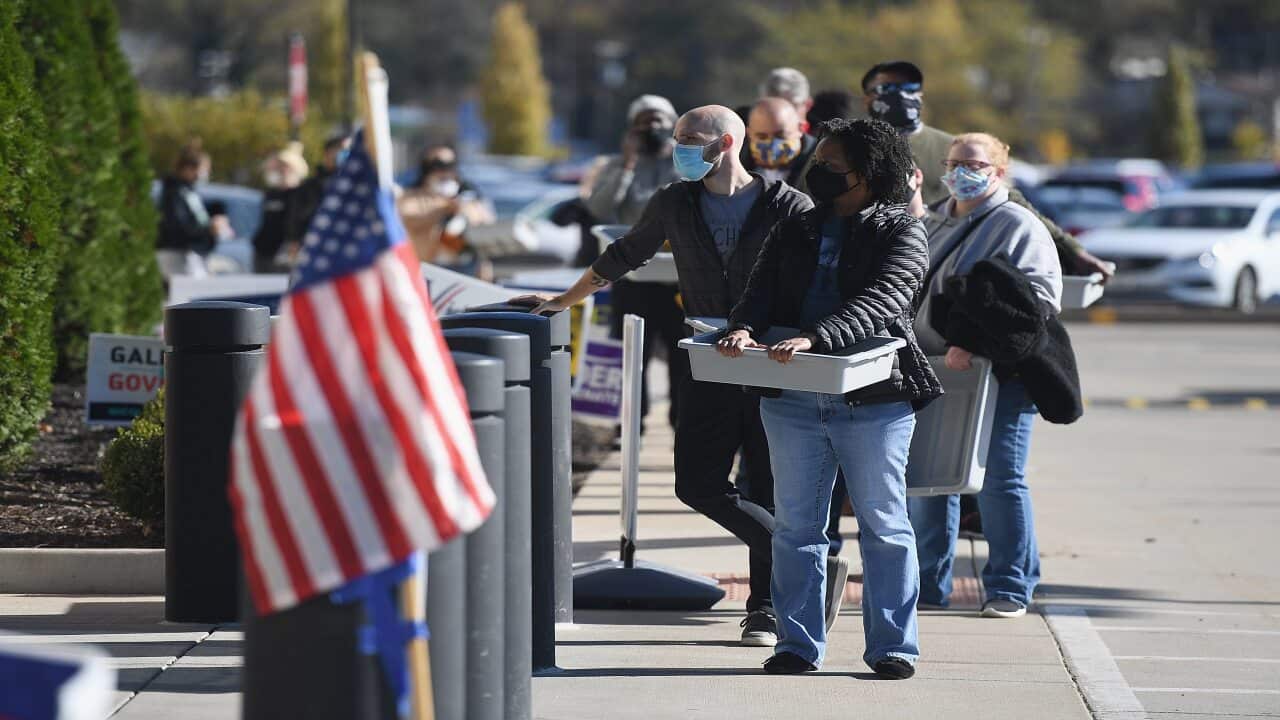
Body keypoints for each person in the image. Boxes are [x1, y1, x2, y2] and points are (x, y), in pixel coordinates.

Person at [520, 105, 814, 647]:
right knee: (696, 482)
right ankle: (795, 550)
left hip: (773, 357)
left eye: (689, 139)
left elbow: (817, 278)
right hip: (707, 357)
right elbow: (623, 255)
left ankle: (766, 607)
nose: (678, 148)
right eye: (678, 138)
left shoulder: (788, 205)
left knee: (765, 485)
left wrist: (804, 336)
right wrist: (565, 300)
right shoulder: (675, 202)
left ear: (725, 143)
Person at [720, 118, 940, 679]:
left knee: (884, 525)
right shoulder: (797, 225)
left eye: (830, 166)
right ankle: (796, 645)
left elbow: (886, 300)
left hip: (873, 401)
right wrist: (744, 327)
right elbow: (759, 290)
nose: (816, 173)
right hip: (790, 398)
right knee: (796, 528)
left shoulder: (902, 231)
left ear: (865, 176)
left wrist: (817, 336)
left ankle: (894, 647)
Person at [908, 132, 1066, 619]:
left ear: (998, 172)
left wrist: (975, 342)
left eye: (974, 164)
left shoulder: (1016, 224)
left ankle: (1010, 586)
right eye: (955, 162)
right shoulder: (934, 218)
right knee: (929, 480)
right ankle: (927, 586)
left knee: (1000, 479)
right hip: (936, 370)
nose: (961, 171)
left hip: (1002, 374)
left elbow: (1039, 301)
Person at [861, 60, 1114, 280]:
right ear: (868, 98)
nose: (901, 96)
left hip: (934, 266)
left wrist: (1073, 252)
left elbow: (1013, 203)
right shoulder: (850, 146)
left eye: (910, 89)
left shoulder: (954, 148)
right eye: (888, 89)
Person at [584, 95, 687, 430]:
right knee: (633, 356)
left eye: (658, 119)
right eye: (644, 120)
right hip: (633, 277)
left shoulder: (684, 161)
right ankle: (630, 425)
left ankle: (681, 423)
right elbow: (599, 209)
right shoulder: (617, 164)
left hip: (679, 279)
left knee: (681, 356)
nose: (652, 126)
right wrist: (627, 164)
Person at [398, 145, 495, 265]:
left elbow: (487, 225)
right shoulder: (410, 196)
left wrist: (463, 209)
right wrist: (443, 205)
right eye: (437, 165)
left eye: (449, 165)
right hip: (426, 269)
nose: (444, 172)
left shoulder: (469, 195)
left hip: (463, 271)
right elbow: (405, 215)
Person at [156, 142, 229, 282]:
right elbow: (178, 225)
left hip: (189, 254)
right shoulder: (174, 193)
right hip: (176, 255)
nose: (205, 174)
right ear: (188, 168)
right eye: (204, 169)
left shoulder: (188, 191)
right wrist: (208, 229)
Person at [252, 142, 308, 273]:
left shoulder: (301, 194)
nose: (281, 170)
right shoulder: (270, 194)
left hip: (285, 255)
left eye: (285, 166)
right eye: (280, 166)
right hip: (263, 252)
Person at [743, 97, 818, 189]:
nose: (771, 144)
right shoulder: (735, 161)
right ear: (749, 133)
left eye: (780, 136)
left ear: (800, 128)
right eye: (762, 137)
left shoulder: (819, 163)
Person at [290, 133, 351, 244]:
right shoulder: (309, 185)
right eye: (342, 149)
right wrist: (294, 241)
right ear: (328, 152)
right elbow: (295, 218)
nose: (347, 154)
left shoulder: (350, 188)